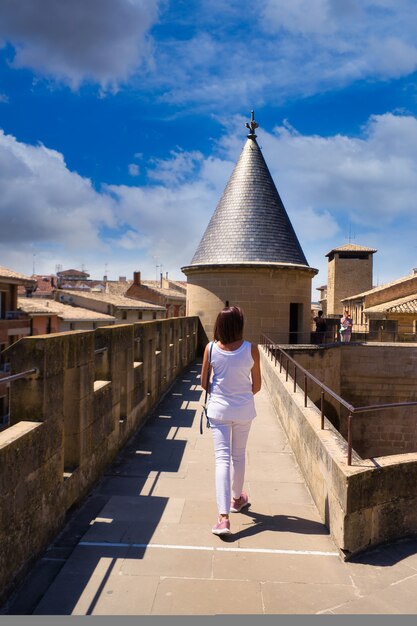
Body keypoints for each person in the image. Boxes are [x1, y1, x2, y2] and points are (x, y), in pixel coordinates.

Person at [201, 305, 261, 536]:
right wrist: (240, 396)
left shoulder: (210, 349)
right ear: (239, 325)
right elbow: (257, 385)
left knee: (222, 459)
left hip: (218, 411)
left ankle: (223, 517)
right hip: (244, 410)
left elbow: (204, 383)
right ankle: (237, 499)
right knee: (239, 455)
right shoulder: (251, 349)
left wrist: (222, 394)